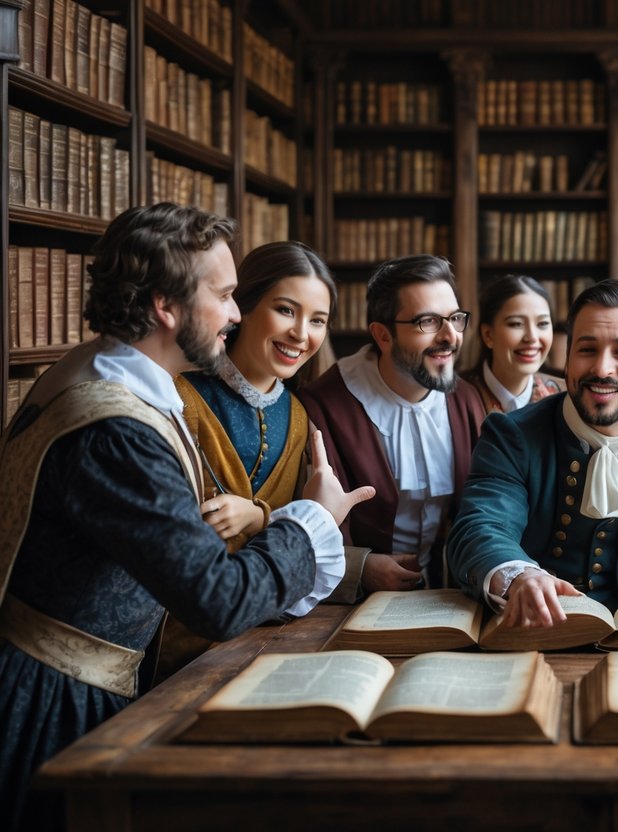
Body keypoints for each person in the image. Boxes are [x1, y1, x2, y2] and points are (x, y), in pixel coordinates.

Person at [0, 203, 371, 831]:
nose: (234, 311)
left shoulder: (106, 378)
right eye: (225, 295)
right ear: (166, 307)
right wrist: (312, 518)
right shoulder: (115, 427)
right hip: (53, 701)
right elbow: (217, 600)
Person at [447, 278, 618, 626]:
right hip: (528, 634)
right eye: (587, 349)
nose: (602, 369)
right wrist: (519, 576)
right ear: (568, 355)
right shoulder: (511, 435)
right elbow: (481, 525)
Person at [297, 255, 486, 597]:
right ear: (383, 335)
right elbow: (301, 526)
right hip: (351, 607)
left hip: (448, 597)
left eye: (455, 319)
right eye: (428, 322)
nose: (450, 336)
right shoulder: (324, 405)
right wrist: (359, 568)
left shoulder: (466, 400)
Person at [177, 241, 338, 551]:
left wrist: (259, 518)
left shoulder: (298, 415)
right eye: (286, 310)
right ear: (244, 307)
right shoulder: (181, 394)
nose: (301, 334)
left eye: (317, 320)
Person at [463, 274, 564, 414]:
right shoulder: (455, 398)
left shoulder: (564, 399)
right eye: (516, 324)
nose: (532, 337)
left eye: (542, 324)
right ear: (488, 335)